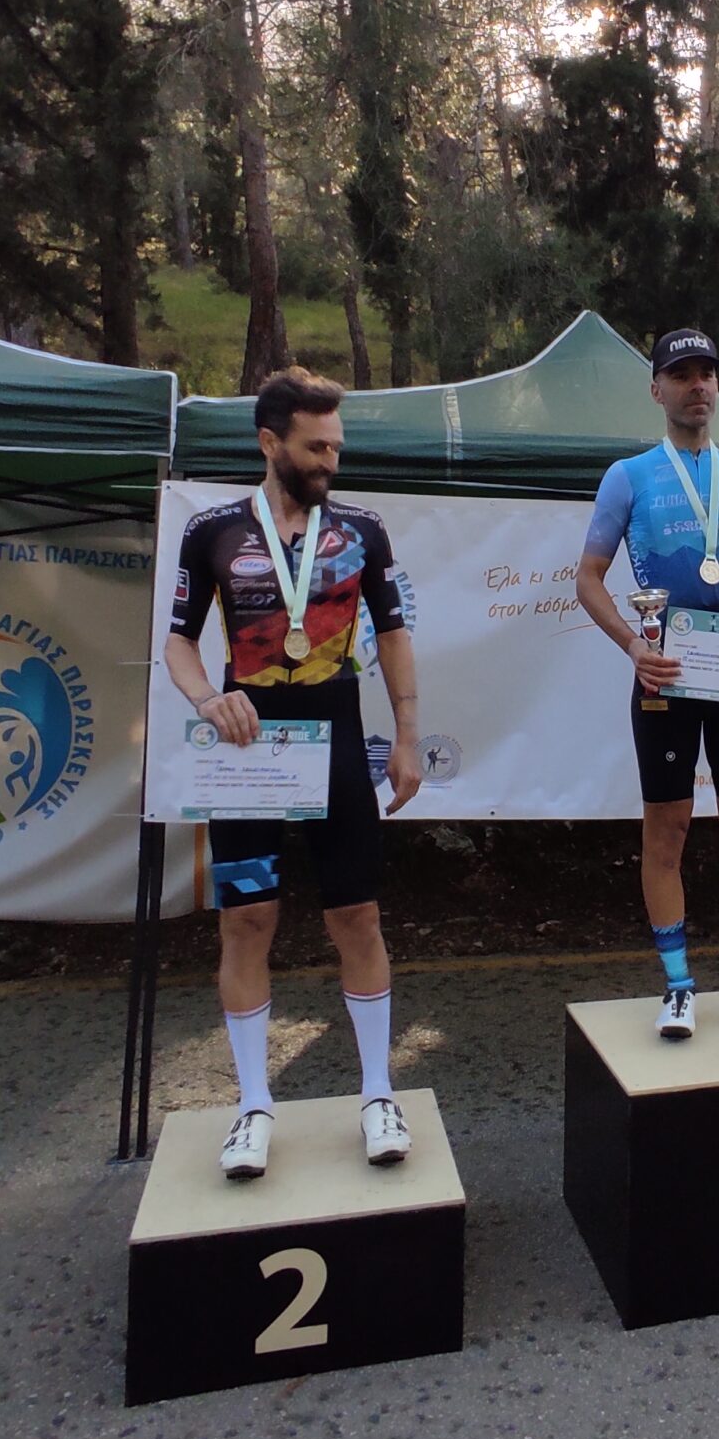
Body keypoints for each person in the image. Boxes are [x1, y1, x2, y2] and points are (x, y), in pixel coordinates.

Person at [165, 367, 422, 1177]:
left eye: (336, 447)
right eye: (316, 448)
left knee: (358, 916)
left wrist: (407, 735)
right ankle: (252, 1104)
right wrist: (208, 699)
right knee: (247, 921)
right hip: (247, 745)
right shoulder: (211, 530)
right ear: (269, 443)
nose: (330, 463)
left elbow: (394, 635)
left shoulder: (362, 530)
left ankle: (377, 1092)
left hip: (336, 731)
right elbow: (178, 641)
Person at [575, 327, 719, 1042]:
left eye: (707, 373)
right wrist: (632, 646)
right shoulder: (628, 476)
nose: (698, 385)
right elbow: (588, 578)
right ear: (657, 390)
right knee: (666, 828)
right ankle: (677, 989)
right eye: (682, 375)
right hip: (666, 670)